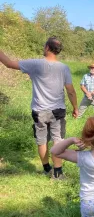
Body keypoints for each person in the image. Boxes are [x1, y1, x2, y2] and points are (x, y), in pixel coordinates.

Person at [0, 36, 78, 179]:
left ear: (47, 48)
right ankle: (58, 173)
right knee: (58, 140)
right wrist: (75, 108)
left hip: (39, 110)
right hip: (58, 111)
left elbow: (8, 64)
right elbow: (71, 91)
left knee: (41, 140)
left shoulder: (35, 64)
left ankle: (46, 168)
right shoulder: (64, 68)